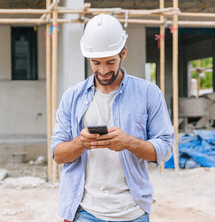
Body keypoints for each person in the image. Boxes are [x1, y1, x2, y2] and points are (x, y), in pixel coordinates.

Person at [51, 14, 174, 222]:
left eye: (110, 62)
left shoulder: (148, 93)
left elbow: (166, 149)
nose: (104, 70)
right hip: (84, 212)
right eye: (96, 63)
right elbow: (57, 155)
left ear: (123, 53)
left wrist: (128, 142)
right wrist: (81, 143)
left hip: (133, 212)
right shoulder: (72, 97)